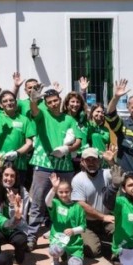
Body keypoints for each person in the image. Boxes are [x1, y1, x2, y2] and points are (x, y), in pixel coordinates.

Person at [27, 84, 82, 246]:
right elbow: (34, 110)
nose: (53, 104)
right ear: (45, 104)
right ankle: (31, 237)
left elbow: (79, 141)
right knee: (38, 202)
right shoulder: (42, 114)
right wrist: (33, 100)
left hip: (64, 167)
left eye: (55, 100)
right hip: (43, 165)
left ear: (60, 99)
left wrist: (67, 149)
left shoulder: (69, 119)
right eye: (49, 102)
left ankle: (61, 235)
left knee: (64, 202)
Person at [70, 147, 116, 258]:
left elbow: (122, 176)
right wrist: (103, 217)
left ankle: (103, 241)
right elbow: (81, 204)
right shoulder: (78, 179)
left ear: (99, 161)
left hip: (105, 220)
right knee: (93, 251)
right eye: (88, 160)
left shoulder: (105, 174)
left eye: (94, 159)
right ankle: (77, 237)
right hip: (87, 222)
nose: (91, 163)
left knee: (122, 231)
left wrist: (111, 162)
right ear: (82, 162)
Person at [0, 86, 34, 181]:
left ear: (16, 102)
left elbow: (29, 143)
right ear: (1, 105)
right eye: (5, 101)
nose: (9, 103)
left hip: (18, 165)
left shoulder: (25, 120)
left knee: (17, 190)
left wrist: (17, 153)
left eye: (11, 100)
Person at [46, 174, 87, 265]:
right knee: (55, 250)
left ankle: (69, 256)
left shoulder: (78, 207)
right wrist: (54, 188)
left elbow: (83, 227)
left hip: (74, 243)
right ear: (57, 192)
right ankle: (56, 258)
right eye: (60, 192)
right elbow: (47, 201)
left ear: (71, 191)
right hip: (58, 239)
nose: (64, 194)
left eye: (66, 192)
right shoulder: (56, 203)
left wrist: (73, 230)